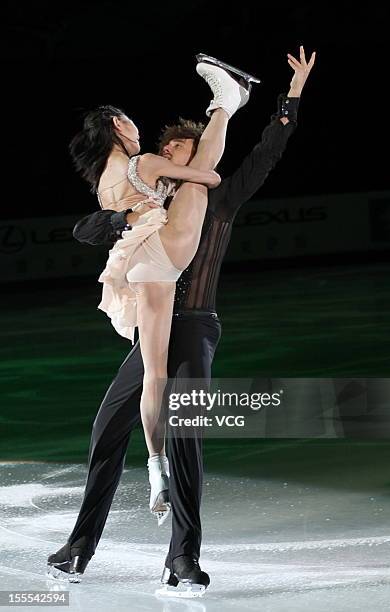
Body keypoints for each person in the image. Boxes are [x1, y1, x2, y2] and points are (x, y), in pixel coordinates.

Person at [47, 47, 316, 597]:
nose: (168, 151)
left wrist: (290, 99)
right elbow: (88, 229)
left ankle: (183, 558)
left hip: (193, 324)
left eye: (180, 148)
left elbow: (266, 153)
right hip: (153, 324)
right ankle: (79, 548)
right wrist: (119, 214)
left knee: (185, 434)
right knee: (106, 430)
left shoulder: (215, 196)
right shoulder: (151, 203)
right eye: (165, 147)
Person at [67, 58, 251, 528]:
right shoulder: (143, 163)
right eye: (129, 120)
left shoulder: (103, 184)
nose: (137, 126)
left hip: (140, 268)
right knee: (206, 165)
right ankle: (225, 102)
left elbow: (98, 225)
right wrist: (190, 179)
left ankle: (155, 466)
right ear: (116, 125)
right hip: (166, 249)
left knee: (155, 375)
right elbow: (209, 177)